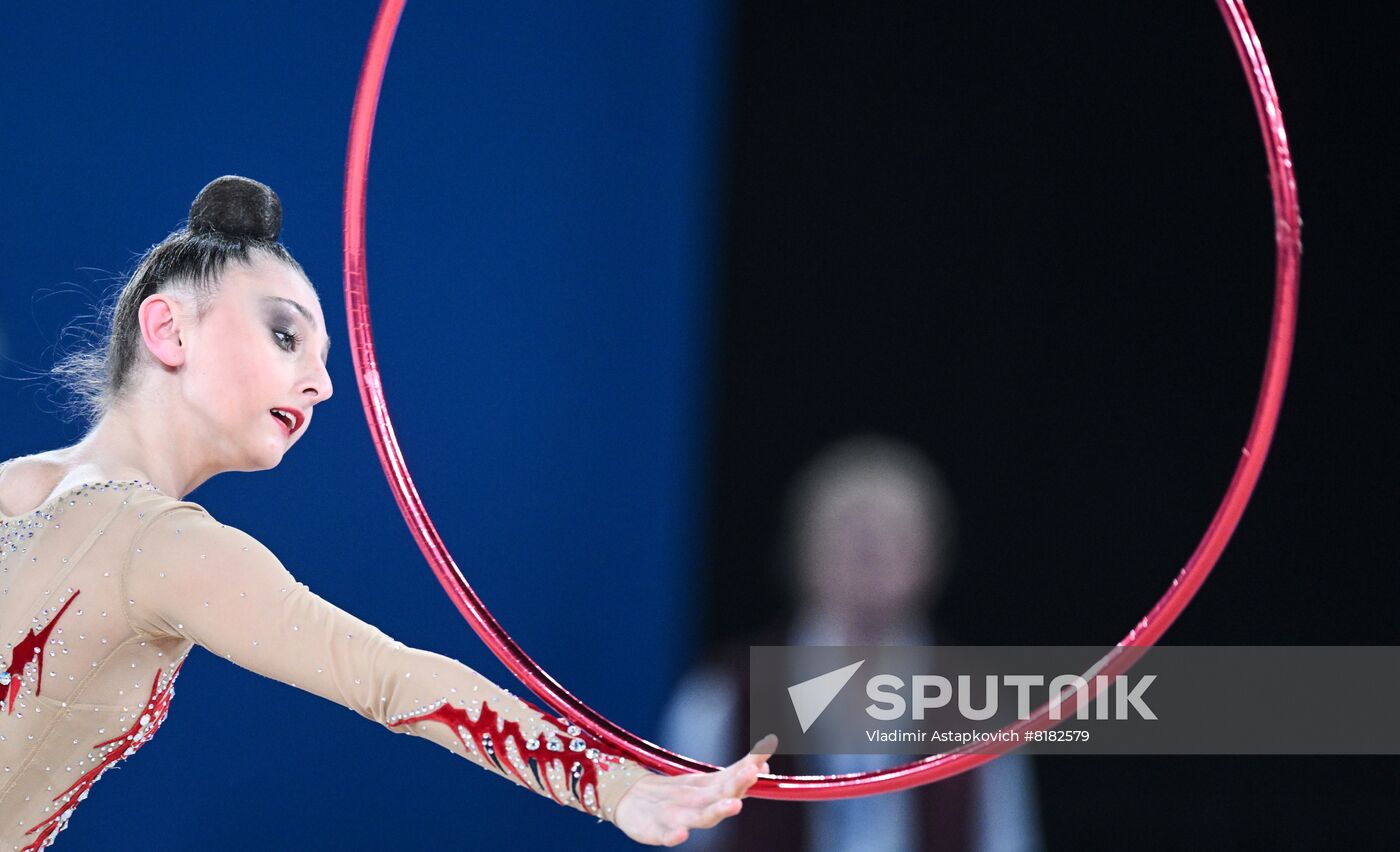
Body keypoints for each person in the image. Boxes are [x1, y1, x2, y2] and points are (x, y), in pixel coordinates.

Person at [0, 176, 770, 851]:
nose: (322, 385)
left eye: (325, 356)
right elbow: (390, 679)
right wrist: (608, 784)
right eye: (284, 336)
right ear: (168, 330)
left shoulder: (21, 488)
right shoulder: (158, 545)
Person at [659, 435, 1043, 852]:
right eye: (848, 528)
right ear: (801, 549)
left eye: (892, 531)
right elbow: (683, 839)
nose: (869, 548)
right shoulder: (725, 693)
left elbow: (1008, 840)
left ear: (932, 555)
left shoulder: (977, 702)